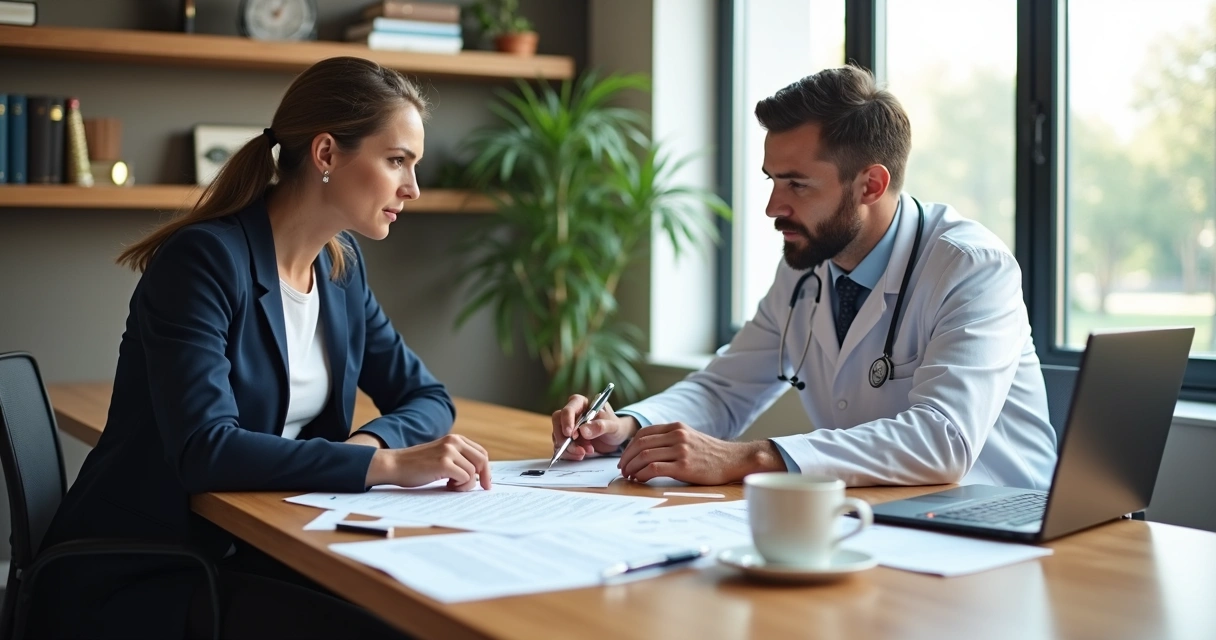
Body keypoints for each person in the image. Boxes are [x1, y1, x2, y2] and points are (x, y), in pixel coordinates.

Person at [32, 57, 491, 639]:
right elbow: (205, 449)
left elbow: (425, 395)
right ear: (326, 154)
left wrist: (373, 440)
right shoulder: (204, 261)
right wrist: (387, 465)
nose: (413, 188)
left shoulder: (340, 270)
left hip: (266, 543)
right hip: (152, 569)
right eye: (397, 160)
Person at [551, 65, 1057, 491]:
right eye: (773, 180)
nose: (774, 207)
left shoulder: (969, 267)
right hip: (880, 521)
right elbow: (725, 389)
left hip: (1002, 531)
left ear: (870, 185)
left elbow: (943, 441)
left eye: (797, 184)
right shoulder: (808, 263)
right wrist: (629, 426)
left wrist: (750, 457)